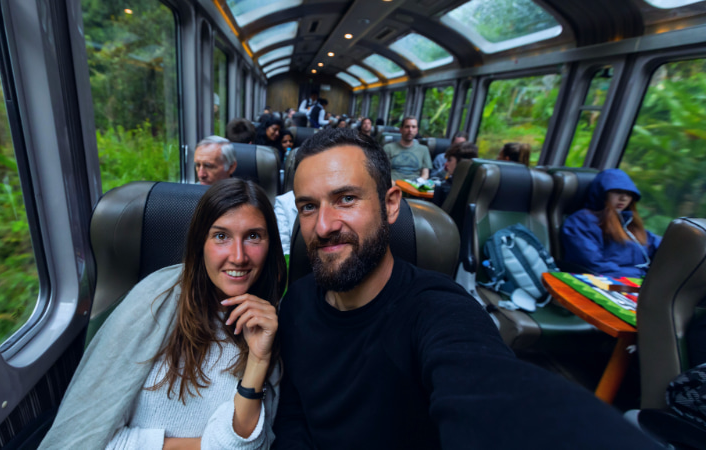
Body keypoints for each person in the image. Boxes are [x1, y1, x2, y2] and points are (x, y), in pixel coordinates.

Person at [272, 128, 660, 449]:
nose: (323, 226)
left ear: (390, 205)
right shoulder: (296, 303)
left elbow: (488, 388)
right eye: (308, 207)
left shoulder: (438, 310)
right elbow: (293, 411)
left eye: (346, 199)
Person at [40, 178, 286, 450]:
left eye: (253, 236)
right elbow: (94, 439)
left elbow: (253, 445)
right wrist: (212, 445)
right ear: (200, 243)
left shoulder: (271, 326)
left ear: (270, 245)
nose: (238, 256)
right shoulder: (152, 300)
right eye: (221, 236)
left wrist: (259, 359)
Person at [561, 168, 662, 277]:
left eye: (629, 194)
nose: (624, 198)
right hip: (603, 281)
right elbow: (593, 265)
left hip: (634, 281)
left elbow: (659, 245)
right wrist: (642, 274)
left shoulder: (627, 221)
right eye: (618, 192)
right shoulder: (582, 221)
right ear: (602, 193)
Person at [382, 116, 431, 182]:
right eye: (407, 127)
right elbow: (382, 172)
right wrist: (392, 184)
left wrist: (416, 184)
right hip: (393, 184)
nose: (410, 130)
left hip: (414, 185)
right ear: (401, 129)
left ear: (417, 130)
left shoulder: (424, 149)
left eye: (413, 127)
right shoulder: (388, 148)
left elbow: (425, 174)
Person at [431, 141, 478, 208]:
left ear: (461, 163)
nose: (446, 164)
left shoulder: (444, 188)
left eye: (449, 160)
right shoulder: (477, 186)